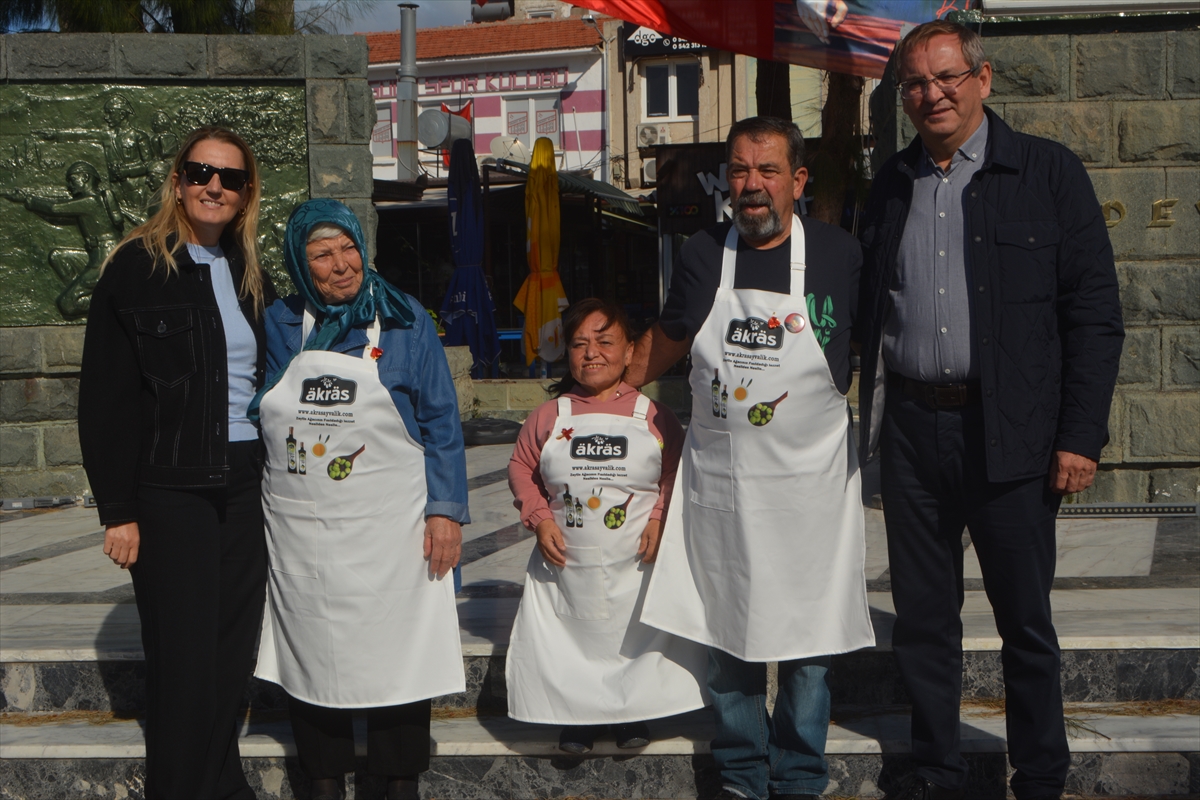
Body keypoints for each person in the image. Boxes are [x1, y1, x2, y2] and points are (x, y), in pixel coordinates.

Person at [857, 20, 1124, 800]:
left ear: (984, 78)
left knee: (1025, 624)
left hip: (1011, 434)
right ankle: (938, 766)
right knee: (924, 620)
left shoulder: (1046, 173)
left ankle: (1040, 774)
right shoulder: (892, 184)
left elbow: (1094, 314)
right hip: (911, 429)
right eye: (915, 82)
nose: (931, 93)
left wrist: (1080, 435)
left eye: (946, 77)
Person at [628, 116, 875, 800]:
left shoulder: (841, 255)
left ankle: (798, 776)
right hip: (724, 490)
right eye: (740, 171)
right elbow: (672, 338)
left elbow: (873, 347)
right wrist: (607, 387)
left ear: (797, 179)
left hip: (811, 495)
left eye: (768, 171)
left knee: (807, 646)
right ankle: (741, 773)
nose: (752, 185)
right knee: (725, 634)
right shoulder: (704, 254)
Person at [249, 198, 468, 800]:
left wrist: (445, 510)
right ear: (300, 262)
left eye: (349, 249)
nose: (342, 266)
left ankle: (397, 783)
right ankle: (323, 780)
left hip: (394, 531)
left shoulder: (405, 321)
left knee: (401, 653)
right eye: (323, 255)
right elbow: (269, 411)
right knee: (315, 651)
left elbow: (441, 422)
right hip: (308, 532)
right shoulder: (279, 323)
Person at [79, 126, 273, 799]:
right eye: (200, 173)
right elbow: (105, 400)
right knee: (184, 659)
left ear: (246, 195)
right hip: (172, 491)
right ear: (178, 182)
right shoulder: (136, 266)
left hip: (246, 486)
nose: (213, 187)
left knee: (227, 654)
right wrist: (120, 511)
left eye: (229, 178)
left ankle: (219, 786)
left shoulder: (251, 273)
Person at [506, 298, 707, 754]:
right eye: (579, 343)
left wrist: (659, 518)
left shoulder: (655, 416)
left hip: (635, 565)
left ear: (632, 351)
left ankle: (631, 714)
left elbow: (676, 470)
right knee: (571, 641)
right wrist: (539, 518)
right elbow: (522, 468)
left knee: (629, 640)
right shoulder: (550, 416)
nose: (591, 352)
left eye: (604, 341)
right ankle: (574, 719)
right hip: (566, 566)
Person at [2, 160, 125, 318]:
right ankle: (87, 291)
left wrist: (27, 199)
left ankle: (116, 302)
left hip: (106, 258)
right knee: (57, 257)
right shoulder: (89, 202)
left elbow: (55, 208)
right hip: (96, 255)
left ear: (85, 177)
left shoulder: (90, 201)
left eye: (72, 180)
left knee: (67, 305)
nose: (69, 186)